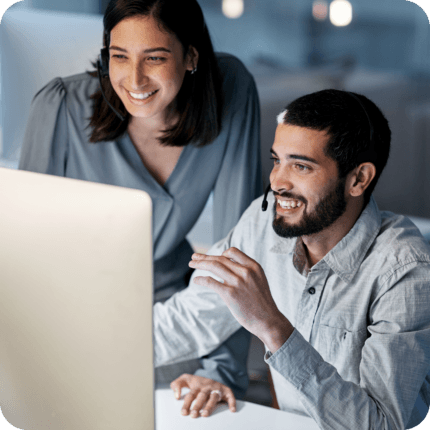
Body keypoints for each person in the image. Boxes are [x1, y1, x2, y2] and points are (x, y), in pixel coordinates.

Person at [19, 0, 262, 415]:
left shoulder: (230, 90)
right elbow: (24, 252)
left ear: (190, 57)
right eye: (119, 57)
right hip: (73, 315)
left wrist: (220, 370)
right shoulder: (59, 106)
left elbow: (239, 247)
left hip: (174, 310)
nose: (133, 79)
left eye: (155, 58)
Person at [154, 89, 430, 428]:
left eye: (300, 166)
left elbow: (381, 424)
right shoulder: (263, 221)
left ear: (358, 179)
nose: (276, 182)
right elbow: (188, 319)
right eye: (276, 160)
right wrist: (89, 349)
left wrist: (272, 327)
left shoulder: (405, 270)